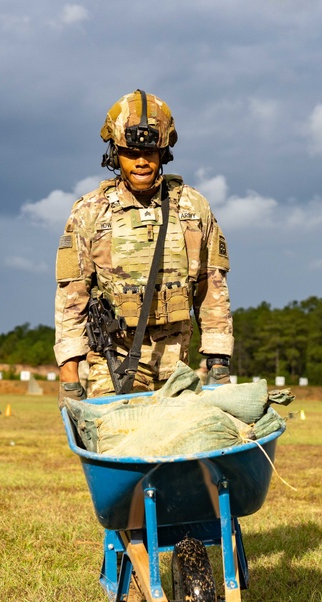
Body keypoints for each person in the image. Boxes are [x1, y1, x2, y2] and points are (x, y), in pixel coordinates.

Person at [54, 89, 233, 405]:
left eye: (150, 152)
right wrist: (70, 375)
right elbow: (72, 296)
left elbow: (212, 289)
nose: (141, 161)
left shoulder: (193, 208)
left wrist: (218, 362)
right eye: (130, 151)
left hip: (177, 362)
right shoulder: (91, 212)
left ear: (164, 152)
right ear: (114, 152)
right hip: (113, 359)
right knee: (116, 442)